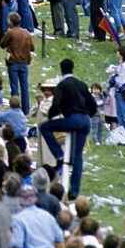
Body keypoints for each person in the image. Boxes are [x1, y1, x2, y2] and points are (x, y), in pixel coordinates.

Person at [42, 58, 98, 199]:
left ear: (61, 70)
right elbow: (92, 105)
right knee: (78, 156)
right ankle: (74, 191)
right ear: (72, 69)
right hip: (85, 121)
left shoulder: (62, 85)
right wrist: (88, 115)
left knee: (46, 128)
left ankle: (59, 157)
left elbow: (56, 104)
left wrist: (50, 116)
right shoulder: (82, 84)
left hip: (73, 119)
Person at [10, 184, 64, 248]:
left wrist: (10, 238)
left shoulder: (19, 218)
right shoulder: (47, 215)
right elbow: (59, 236)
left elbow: (17, 244)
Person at [1, 12, 34, 115]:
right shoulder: (26, 33)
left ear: (11, 22)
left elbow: (3, 44)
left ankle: (15, 108)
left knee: (14, 86)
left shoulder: (10, 32)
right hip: (24, 62)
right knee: (24, 85)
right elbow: (32, 47)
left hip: (13, 61)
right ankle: (26, 109)